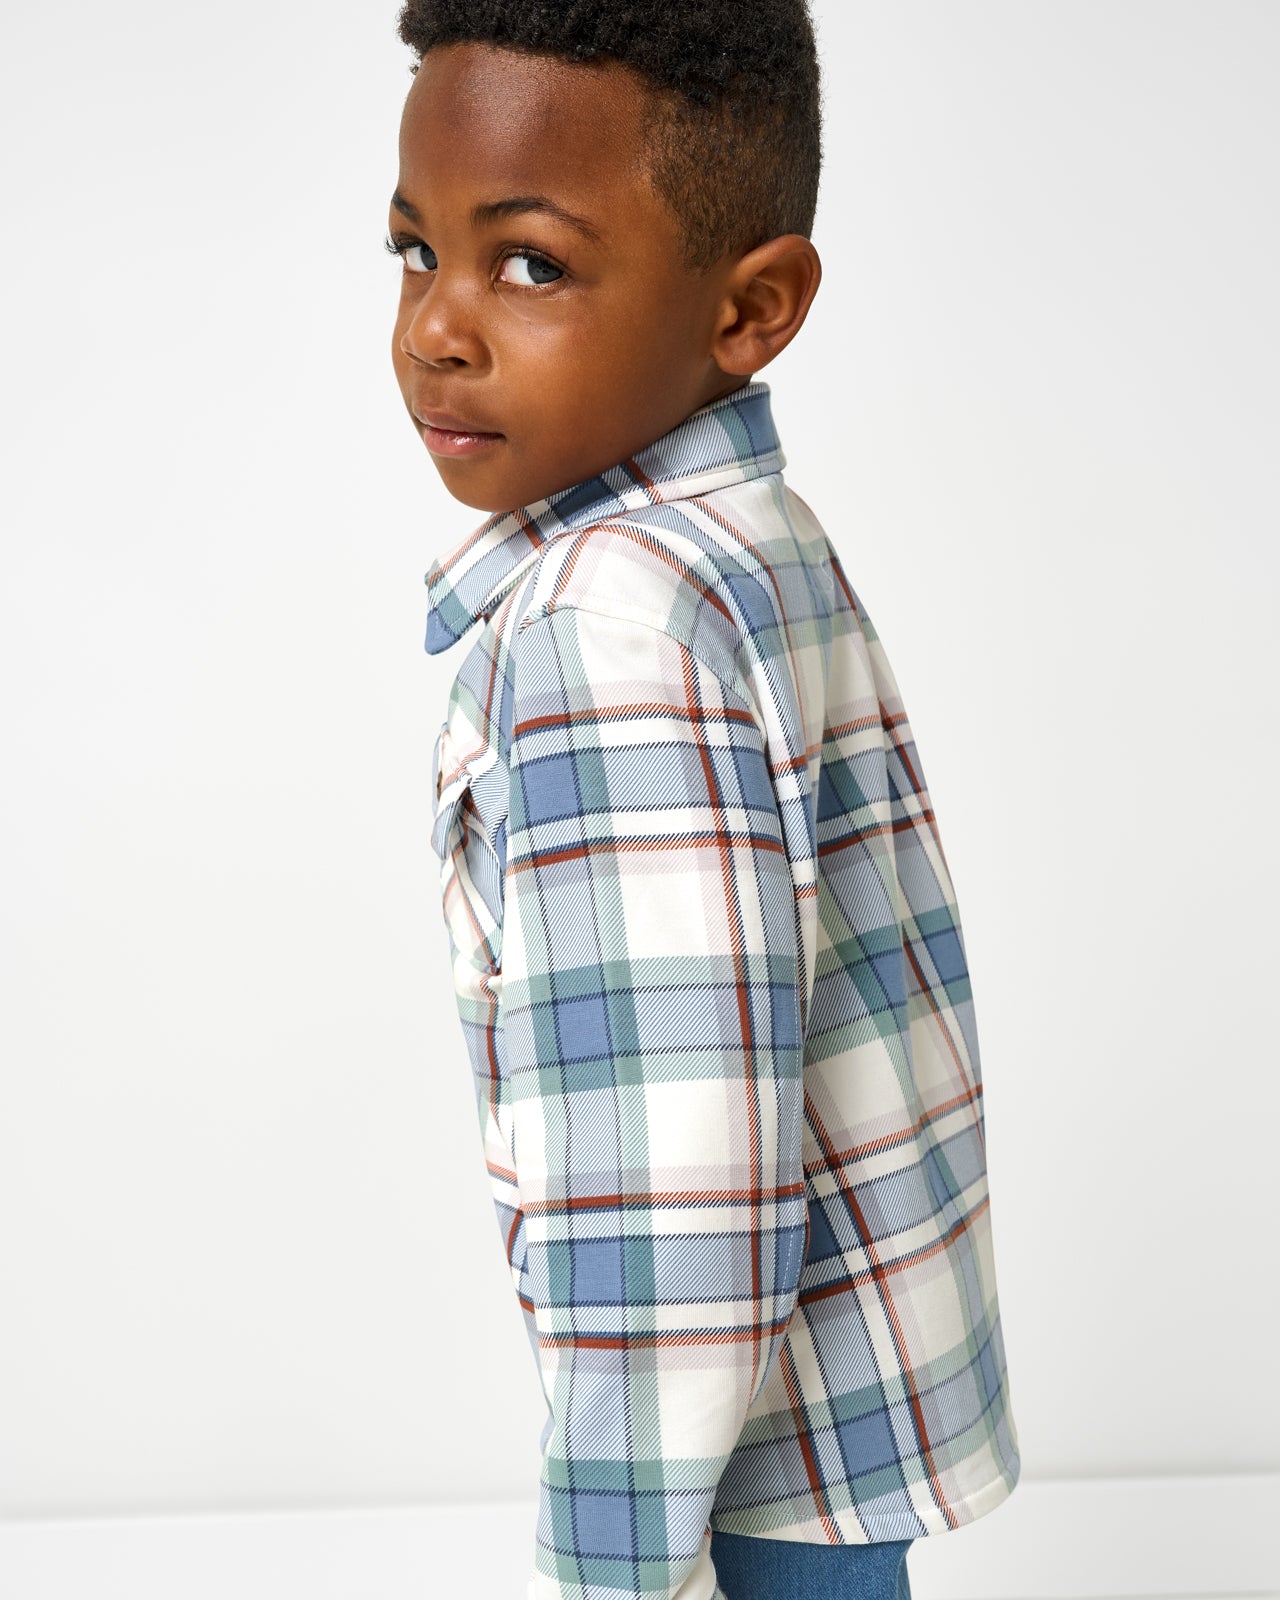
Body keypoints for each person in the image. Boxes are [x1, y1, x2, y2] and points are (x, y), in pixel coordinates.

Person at [386, 4, 1021, 1598]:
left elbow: (674, 1179)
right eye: (414, 251)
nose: (436, 329)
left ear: (754, 309)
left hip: (726, 1465)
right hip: (827, 1416)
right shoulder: (751, 541)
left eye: (528, 264)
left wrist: (620, 1563)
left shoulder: (609, 623)